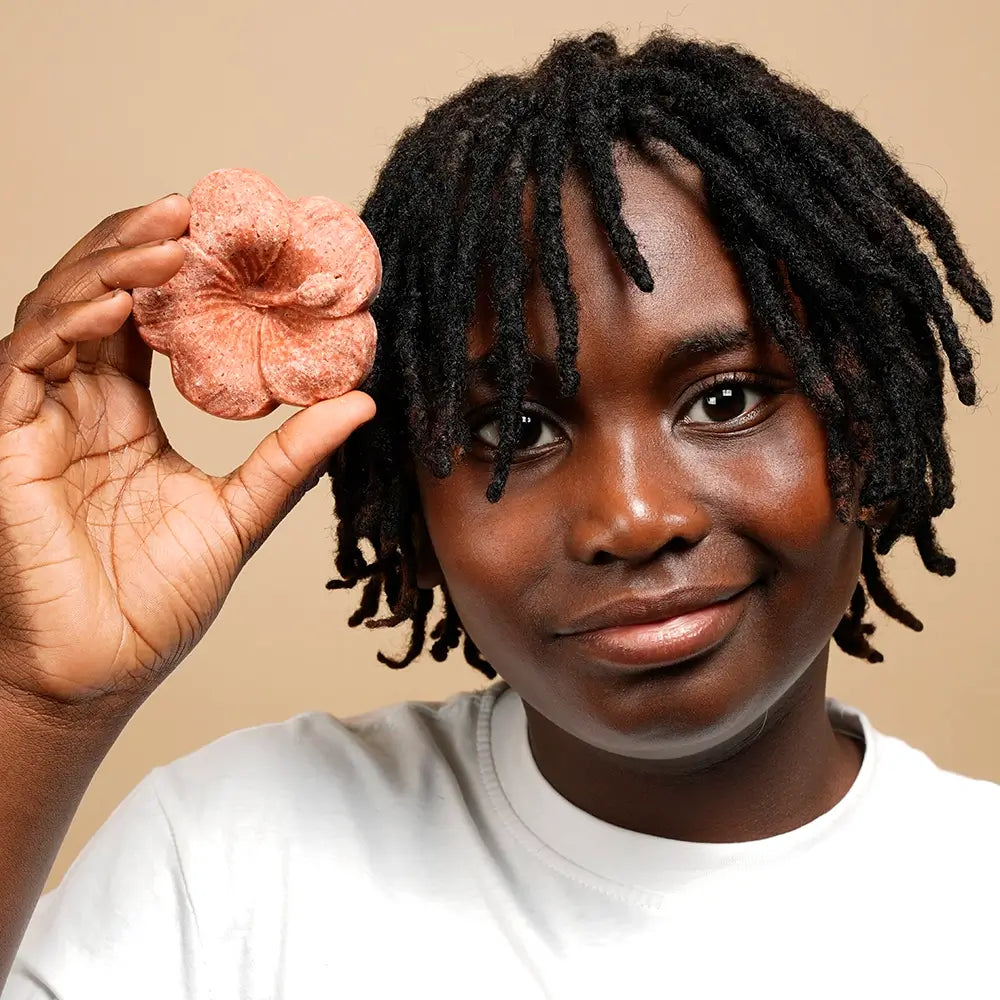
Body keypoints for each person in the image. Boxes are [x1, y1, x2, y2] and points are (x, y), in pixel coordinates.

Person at [0, 28, 996, 999]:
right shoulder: (227, 859)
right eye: (516, 428)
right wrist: (40, 700)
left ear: (865, 424)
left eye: (724, 400)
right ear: (408, 501)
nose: (635, 514)